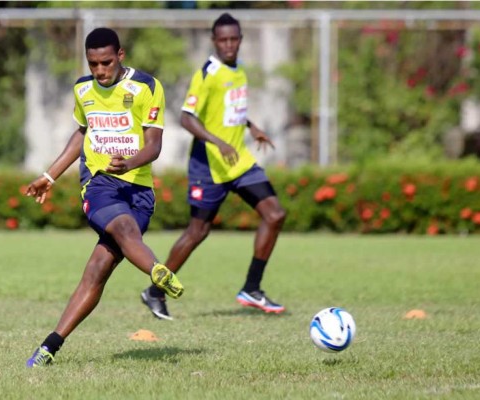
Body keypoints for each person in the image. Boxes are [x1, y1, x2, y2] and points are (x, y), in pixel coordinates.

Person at [25, 27, 184, 367]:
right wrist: (50, 175)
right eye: (93, 63)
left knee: (97, 269)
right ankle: (157, 271)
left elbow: (154, 145)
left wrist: (130, 162)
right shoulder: (83, 88)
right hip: (98, 184)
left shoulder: (146, 87)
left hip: (139, 190)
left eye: (106, 62)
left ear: (121, 55)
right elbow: (82, 134)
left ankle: (49, 347)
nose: (100, 71)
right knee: (125, 231)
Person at [140, 13, 286, 321]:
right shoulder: (207, 74)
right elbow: (186, 118)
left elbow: (228, 110)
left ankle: (252, 288)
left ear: (241, 40)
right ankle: (155, 291)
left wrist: (252, 126)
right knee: (198, 231)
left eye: (234, 39)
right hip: (208, 166)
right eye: (223, 40)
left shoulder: (239, 70)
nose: (229, 45)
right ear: (214, 41)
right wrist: (218, 143)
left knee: (275, 214)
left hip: (239, 162)